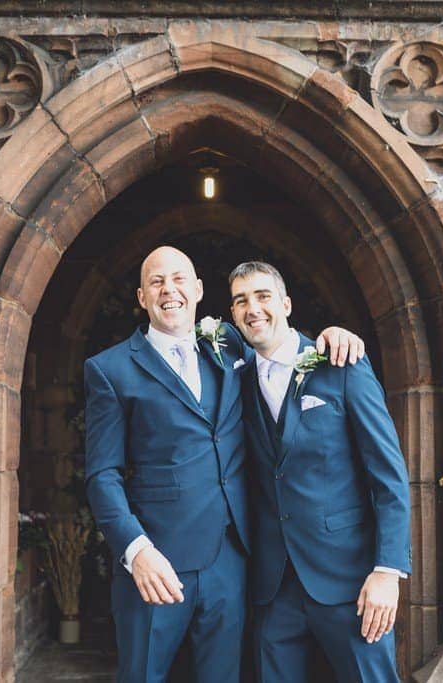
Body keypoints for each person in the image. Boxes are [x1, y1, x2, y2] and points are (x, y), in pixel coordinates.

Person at [84, 246, 364, 683]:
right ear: (142, 297)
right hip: (157, 562)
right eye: (157, 282)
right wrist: (136, 551)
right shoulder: (110, 369)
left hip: (231, 560)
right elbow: (102, 475)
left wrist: (332, 336)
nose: (169, 290)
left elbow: (278, 346)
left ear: (198, 290)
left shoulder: (228, 345)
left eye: (179, 279)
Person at [228, 261, 411, 683]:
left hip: (349, 580)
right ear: (233, 315)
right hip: (274, 587)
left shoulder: (342, 364)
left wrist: (387, 571)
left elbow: (388, 475)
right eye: (240, 301)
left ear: (286, 304)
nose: (252, 308)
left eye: (262, 296)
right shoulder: (235, 380)